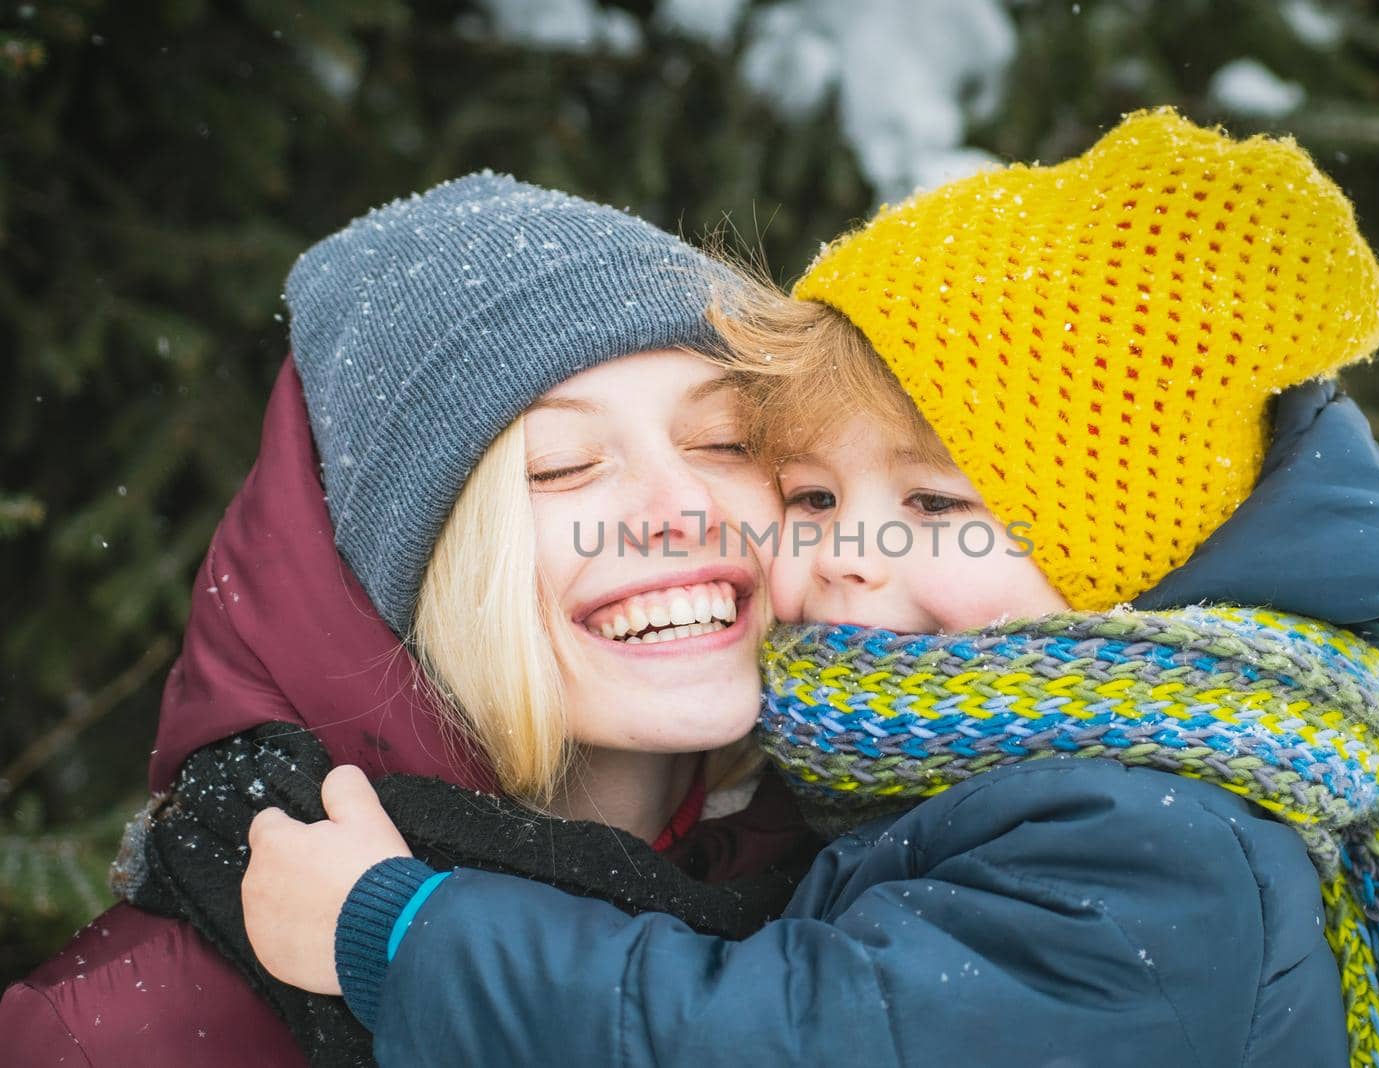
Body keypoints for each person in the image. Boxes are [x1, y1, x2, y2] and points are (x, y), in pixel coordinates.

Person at [241, 112, 1379, 1066]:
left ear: (1136, 555)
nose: (847, 552)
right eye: (813, 497)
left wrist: (400, 936)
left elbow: (783, 1044)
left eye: (936, 507)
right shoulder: (1003, 779)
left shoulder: (1147, 835)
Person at [0, 174, 824, 1066]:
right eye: (560, 465)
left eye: (726, 442)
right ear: (416, 567)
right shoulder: (118, 1038)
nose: (683, 505)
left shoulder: (885, 906)